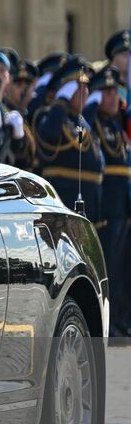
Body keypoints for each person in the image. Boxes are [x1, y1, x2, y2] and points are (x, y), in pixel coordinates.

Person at [86, 65, 129, 334]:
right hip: (109, 206)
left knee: (123, 269)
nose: (113, 97)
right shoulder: (95, 122)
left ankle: (121, 318)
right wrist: (90, 106)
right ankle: (108, 322)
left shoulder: (115, 123)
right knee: (110, 269)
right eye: (106, 92)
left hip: (123, 206)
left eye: (115, 91)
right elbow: (83, 131)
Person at [34, 57, 102, 220]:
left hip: (88, 204)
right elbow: (49, 136)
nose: (84, 91)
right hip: (62, 203)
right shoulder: (48, 115)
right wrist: (61, 101)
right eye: (78, 86)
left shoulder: (81, 122)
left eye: (86, 86)